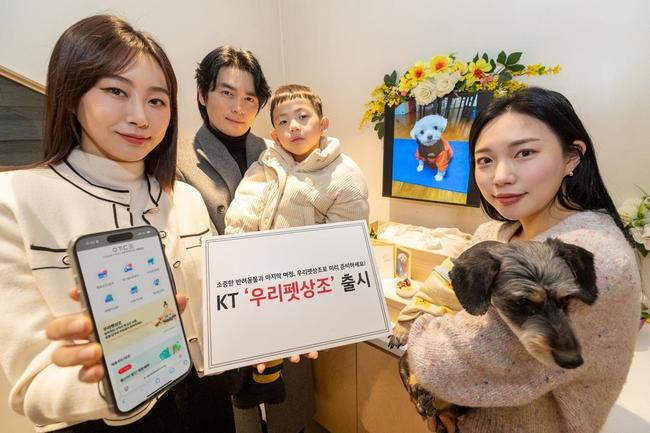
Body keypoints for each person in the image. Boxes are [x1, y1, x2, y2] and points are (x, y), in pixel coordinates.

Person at [0, 15, 221, 432]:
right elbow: (33, 387)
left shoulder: (186, 199)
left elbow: (216, 309)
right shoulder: (14, 201)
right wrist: (110, 377)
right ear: (71, 95)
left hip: (207, 403)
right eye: (116, 91)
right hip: (101, 419)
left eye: (157, 101)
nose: (140, 117)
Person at [406, 87, 641, 433]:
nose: (500, 176)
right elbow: (440, 296)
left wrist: (422, 347)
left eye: (525, 153)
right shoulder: (496, 232)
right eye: (485, 160)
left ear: (572, 156)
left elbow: (436, 365)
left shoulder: (594, 258)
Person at [223, 84, 369, 411]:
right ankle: (262, 380)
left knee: (289, 333)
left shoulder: (344, 175)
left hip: (306, 278)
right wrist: (237, 259)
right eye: (283, 121)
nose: (294, 126)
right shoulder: (265, 165)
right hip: (261, 270)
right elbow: (242, 212)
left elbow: (344, 245)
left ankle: (268, 380)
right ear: (275, 135)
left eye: (303, 117)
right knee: (258, 329)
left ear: (323, 124)